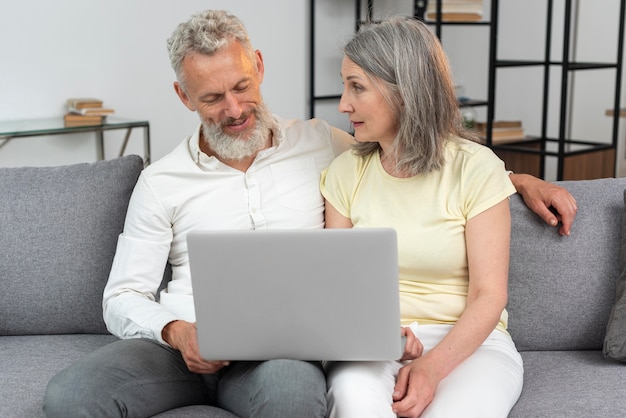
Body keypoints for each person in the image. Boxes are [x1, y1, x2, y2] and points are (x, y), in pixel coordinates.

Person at [43, 9, 576, 418]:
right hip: (183, 344)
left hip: (279, 352)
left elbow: (418, 161)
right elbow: (122, 296)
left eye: (242, 87)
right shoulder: (159, 182)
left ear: (260, 67)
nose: (233, 109)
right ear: (184, 97)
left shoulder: (324, 146)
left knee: (294, 395)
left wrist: (516, 180)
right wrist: (179, 331)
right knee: (70, 396)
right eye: (211, 97)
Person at [320, 16, 527, 417]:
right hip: (376, 343)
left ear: (404, 91)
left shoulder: (476, 168)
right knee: (353, 403)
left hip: (471, 344)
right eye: (344, 86)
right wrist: (383, 336)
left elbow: (490, 295)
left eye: (356, 87)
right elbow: (340, 289)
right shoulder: (346, 172)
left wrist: (432, 367)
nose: (343, 104)